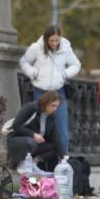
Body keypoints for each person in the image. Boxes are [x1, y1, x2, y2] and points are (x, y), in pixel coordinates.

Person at [19, 26, 81, 155]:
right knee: (40, 126)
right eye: (51, 40)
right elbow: (24, 61)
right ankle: (39, 158)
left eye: (56, 40)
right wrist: (34, 73)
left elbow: (76, 65)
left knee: (61, 125)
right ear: (46, 38)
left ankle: (63, 159)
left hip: (58, 92)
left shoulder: (65, 49)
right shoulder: (36, 48)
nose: (54, 43)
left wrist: (65, 74)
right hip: (40, 91)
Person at [6, 90, 66, 172]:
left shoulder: (51, 116)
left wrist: (64, 157)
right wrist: (33, 135)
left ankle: (33, 162)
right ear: (46, 103)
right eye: (53, 105)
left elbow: (56, 137)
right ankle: (21, 164)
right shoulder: (31, 108)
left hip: (34, 145)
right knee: (31, 142)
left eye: (57, 106)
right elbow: (16, 126)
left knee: (56, 147)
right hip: (19, 141)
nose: (55, 109)